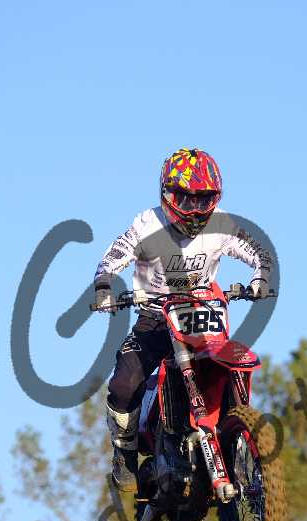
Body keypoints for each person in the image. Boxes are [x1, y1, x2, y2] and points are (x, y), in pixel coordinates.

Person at [91, 147, 274, 491]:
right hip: (154, 318)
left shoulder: (223, 224)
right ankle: (125, 453)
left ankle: (236, 434)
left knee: (231, 365)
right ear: (167, 195)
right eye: (185, 199)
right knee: (124, 383)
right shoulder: (147, 224)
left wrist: (261, 278)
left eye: (203, 200)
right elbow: (116, 253)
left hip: (203, 314)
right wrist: (104, 284)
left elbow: (258, 251)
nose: (194, 209)